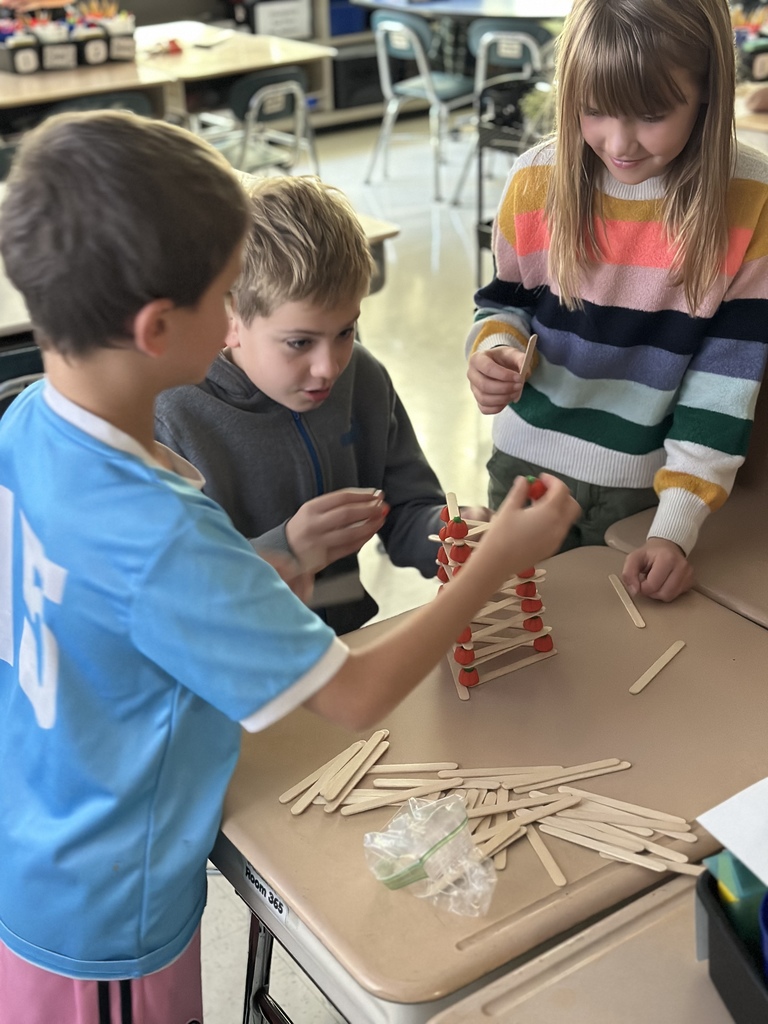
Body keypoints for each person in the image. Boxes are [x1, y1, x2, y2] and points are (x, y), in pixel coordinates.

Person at [0, 110, 579, 1024]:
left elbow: (131, 611)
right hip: (105, 904)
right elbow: (349, 697)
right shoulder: (162, 531)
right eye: (228, 293)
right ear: (164, 326)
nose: (239, 312)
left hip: (46, 822)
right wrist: (495, 558)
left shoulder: (29, 420)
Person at [466, 0, 768, 603]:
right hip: (524, 468)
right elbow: (504, 303)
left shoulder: (750, 202)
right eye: (594, 110)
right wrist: (494, 348)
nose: (618, 142)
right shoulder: (535, 180)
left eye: (651, 115)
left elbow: (723, 388)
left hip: (646, 491)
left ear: (706, 89)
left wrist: (676, 528)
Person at [155, 174, 486, 635]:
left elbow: (406, 513)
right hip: (239, 672)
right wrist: (285, 549)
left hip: (346, 646)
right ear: (229, 321)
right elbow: (175, 598)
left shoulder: (363, 378)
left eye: (346, 332)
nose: (329, 367)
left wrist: (452, 533)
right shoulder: (173, 418)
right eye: (298, 342)